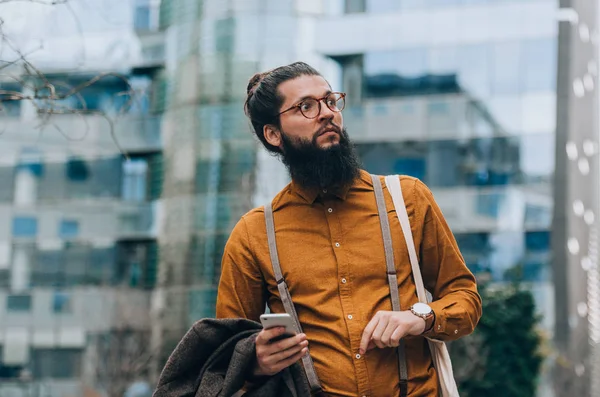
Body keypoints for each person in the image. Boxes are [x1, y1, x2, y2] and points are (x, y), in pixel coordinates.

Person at [216, 62, 482, 396]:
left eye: (330, 101)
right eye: (307, 107)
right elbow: (226, 355)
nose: (327, 113)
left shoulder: (408, 199)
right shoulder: (252, 234)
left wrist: (420, 316)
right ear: (273, 134)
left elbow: (466, 299)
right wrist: (256, 362)